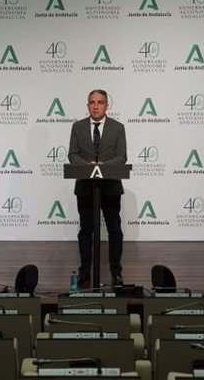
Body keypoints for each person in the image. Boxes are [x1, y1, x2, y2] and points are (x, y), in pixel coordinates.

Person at [68, 89, 127, 288]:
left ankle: (116, 273)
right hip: (85, 187)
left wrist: (104, 165)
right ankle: (85, 271)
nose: (96, 106)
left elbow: (122, 156)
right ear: (87, 106)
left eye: (100, 102)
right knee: (85, 232)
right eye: (92, 102)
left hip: (110, 187)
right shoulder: (77, 127)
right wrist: (87, 165)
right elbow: (72, 154)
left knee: (115, 231)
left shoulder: (118, 128)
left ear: (106, 105)